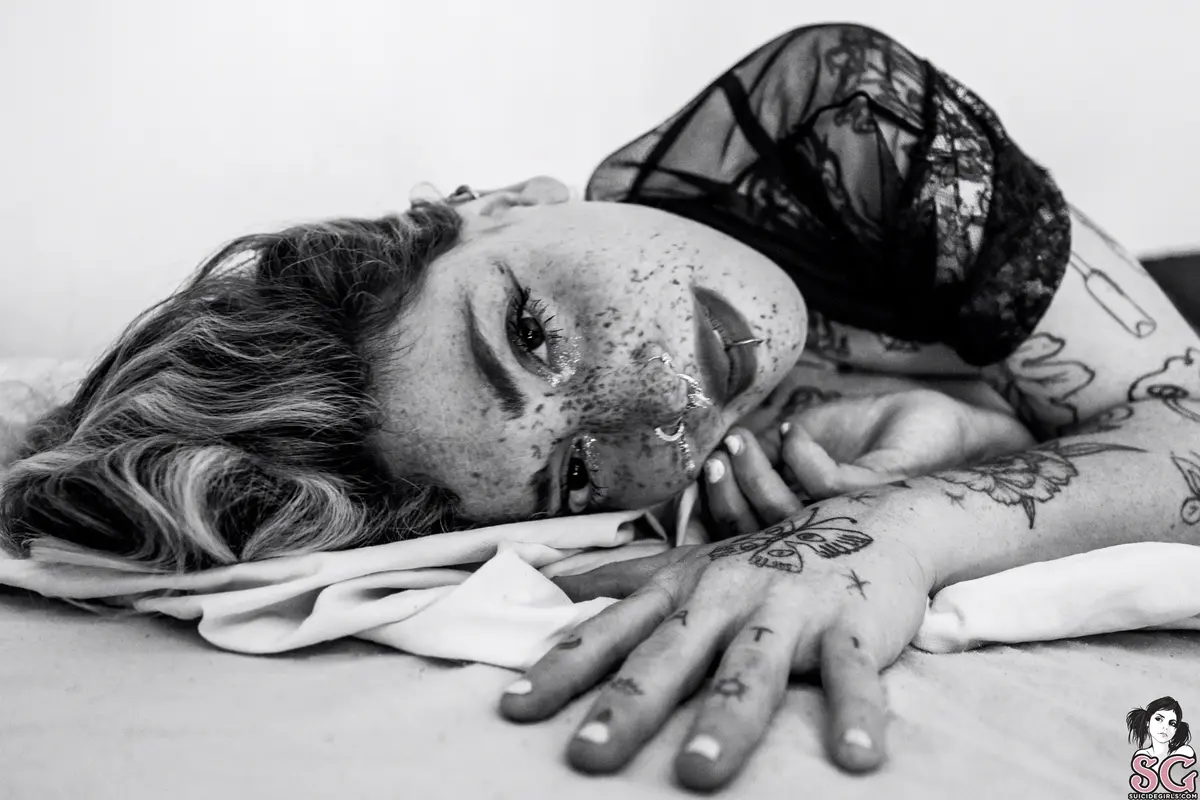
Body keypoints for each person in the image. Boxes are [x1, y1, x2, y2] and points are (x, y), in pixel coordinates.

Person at [0, 20, 1195, 793]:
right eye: (577, 471)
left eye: (530, 332)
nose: (665, 408)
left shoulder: (831, 122)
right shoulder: (699, 474)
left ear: (501, 205)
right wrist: (980, 436)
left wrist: (896, 526)